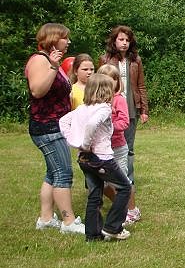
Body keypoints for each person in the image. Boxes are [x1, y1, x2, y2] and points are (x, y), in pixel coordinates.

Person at [24, 23, 84, 235]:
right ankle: (68, 222)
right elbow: (37, 90)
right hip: (47, 126)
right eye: (65, 38)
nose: (68, 42)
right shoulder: (40, 60)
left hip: (56, 124)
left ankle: (46, 218)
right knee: (63, 173)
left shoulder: (50, 61)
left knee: (52, 172)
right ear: (53, 38)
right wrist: (53, 67)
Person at [60, 74, 132, 241]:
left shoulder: (81, 109)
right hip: (102, 158)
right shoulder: (104, 108)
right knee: (124, 188)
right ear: (106, 90)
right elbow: (93, 124)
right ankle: (112, 227)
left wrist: (73, 140)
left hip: (84, 159)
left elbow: (63, 121)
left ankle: (92, 235)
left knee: (95, 194)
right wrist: (84, 142)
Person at [99, 25, 148, 225]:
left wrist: (144, 109)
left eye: (127, 40)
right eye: (120, 39)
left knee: (128, 150)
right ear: (114, 41)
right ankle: (109, 187)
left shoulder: (135, 61)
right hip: (110, 111)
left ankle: (128, 187)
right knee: (107, 150)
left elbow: (141, 86)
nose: (124, 43)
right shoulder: (104, 60)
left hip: (131, 109)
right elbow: (98, 84)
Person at [96, 64, 131, 212]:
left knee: (122, 180)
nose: (111, 82)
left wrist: (108, 127)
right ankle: (120, 205)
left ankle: (129, 209)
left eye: (114, 79)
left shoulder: (119, 100)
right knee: (102, 183)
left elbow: (124, 122)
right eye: (107, 79)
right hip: (100, 149)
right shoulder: (95, 100)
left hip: (118, 147)